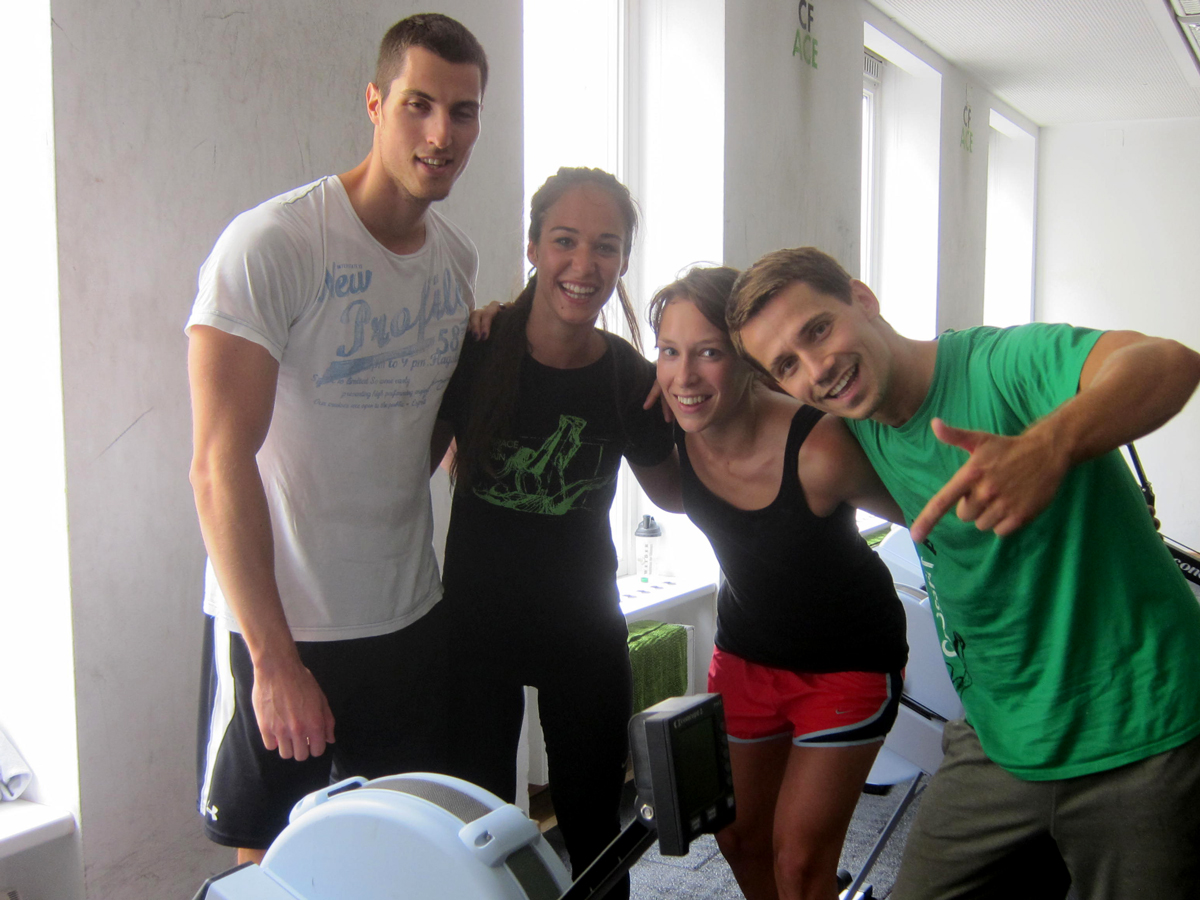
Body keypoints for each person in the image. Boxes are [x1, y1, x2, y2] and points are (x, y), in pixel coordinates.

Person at [728, 246, 1200, 898]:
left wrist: (1050, 444)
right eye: (787, 364)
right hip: (998, 739)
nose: (817, 368)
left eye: (818, 329)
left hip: (1141, 734)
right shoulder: (854, 430)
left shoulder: (998, 366)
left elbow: (1167, 362)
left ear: (862, 299)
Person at [186, 14, 487, 863]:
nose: (441, 134)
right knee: (274, 865)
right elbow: (216, 464)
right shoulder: (274, 244)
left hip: (405, 616)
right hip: (286, 627)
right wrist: (273, 661)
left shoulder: (456, 261)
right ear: (375, 102)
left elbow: (417, 431)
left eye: (462, 112)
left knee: (390, 857)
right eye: (418, 104)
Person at [433, 167, 678, 894]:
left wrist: (698, 398)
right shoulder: (476, 349)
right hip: (475, 631)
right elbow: (409, 464)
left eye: (606, 246)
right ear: (534, 246)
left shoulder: (629, 376)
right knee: (476, 834)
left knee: (596, 830)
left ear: (624, 261)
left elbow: (674, 495)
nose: (584, 263)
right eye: (565, 240)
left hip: (583, 631)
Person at [648, 266, 907, 900]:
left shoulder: (820, 449)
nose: (685, 376)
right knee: (737, 836)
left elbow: (929, 516)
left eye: (709, 353)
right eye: (669, 352)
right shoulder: (674, 420)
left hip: (847, 661)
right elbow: (672, 493)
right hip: (746, 654)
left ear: (748, 358)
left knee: (799, 863)